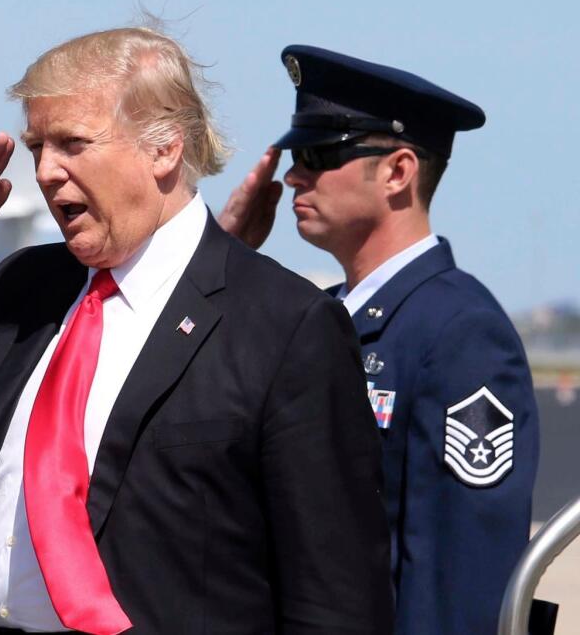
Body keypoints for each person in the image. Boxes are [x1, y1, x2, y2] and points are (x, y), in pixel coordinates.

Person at [0, 27, 393, 635]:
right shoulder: (20, 291)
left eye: (73, 143)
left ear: (165, 147)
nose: (46, 171)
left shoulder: (285, 325)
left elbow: (336, 596)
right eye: (37, 146)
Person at [219, 45, 540, 635]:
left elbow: (460, 576)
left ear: (398, 172)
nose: (293, 175)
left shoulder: (459, 333)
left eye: (319, 154)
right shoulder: (323, 318)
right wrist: (222, 258)